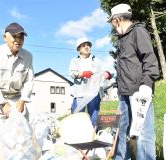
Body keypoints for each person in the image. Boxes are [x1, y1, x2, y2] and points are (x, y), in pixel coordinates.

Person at [107, 4, 160, 160]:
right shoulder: (123, 38)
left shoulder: (138, 31)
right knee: (123, 130)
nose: (112, 25)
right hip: (124, 93)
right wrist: (118, 88)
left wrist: (146, 84)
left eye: (112, 22)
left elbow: (150, 60)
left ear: (116, 20)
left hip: (139, 92)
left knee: (143, 132)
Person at [0, 22, 34, 149]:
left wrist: (23, 100)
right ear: (5, 37)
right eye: (15, 36)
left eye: (21, 37)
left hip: (17, 99)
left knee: (22, 137)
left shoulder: (28, 56)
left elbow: (29, 81)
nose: (18, 40)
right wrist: (2, 103)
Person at [69, 37, 112, 126]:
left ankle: (94, 135)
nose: (86, 47)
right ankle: (76, 137)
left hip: (94, 93)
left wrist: (107, 74)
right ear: (79, 49)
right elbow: (72, 74)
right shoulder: (74, 61)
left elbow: (104, 73)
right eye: (83, 46)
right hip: (80, 93)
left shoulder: (97, 60)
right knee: (76, 117)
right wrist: (82, 74)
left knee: (94, 117)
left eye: (88, 45)